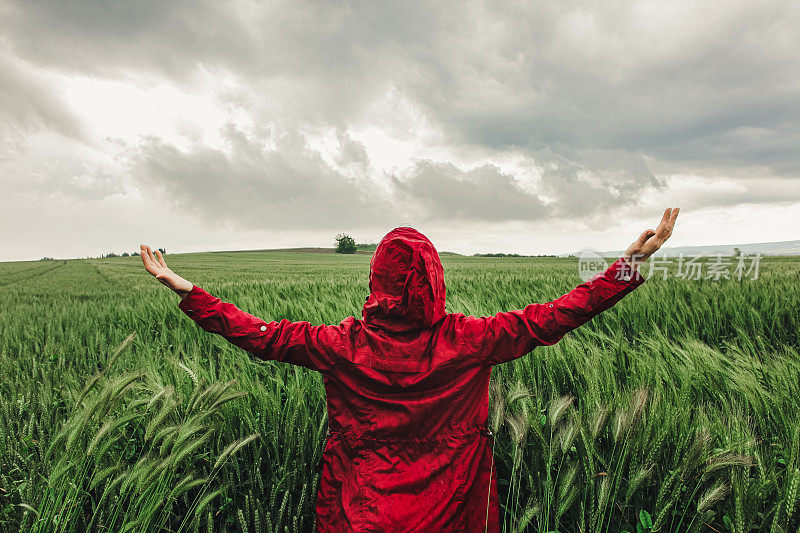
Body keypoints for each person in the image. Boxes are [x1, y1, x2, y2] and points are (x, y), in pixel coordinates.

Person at [140, 207, 679, 532]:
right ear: (435, 279)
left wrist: (189, 292)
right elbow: (556, 316)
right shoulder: (473, 341)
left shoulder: (339, 345)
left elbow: (261, 336)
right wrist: (627, 267)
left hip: (362, 512)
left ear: (377, 279)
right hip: (451, 514)